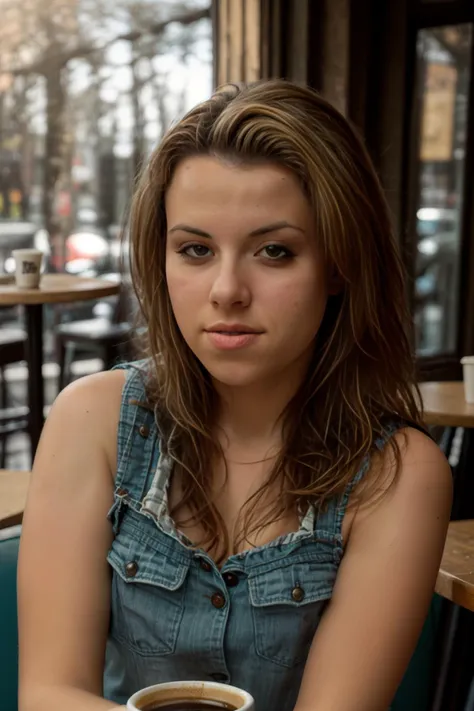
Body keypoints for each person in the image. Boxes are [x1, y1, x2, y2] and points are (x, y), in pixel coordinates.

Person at [18, 81, 452, 711]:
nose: (226, 290)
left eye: (274, 251)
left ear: (338, 264)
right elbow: (49, 694)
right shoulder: (93, 420)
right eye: (195, 249)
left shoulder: (399, 475)